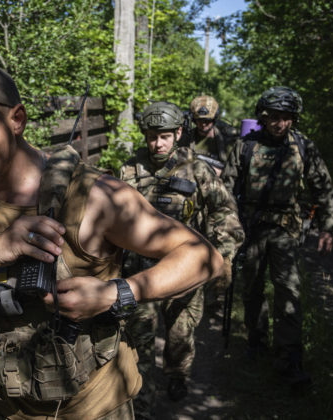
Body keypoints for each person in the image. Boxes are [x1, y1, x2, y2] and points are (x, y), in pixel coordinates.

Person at [0, 61, 224, 420]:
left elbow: (203, 256)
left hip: (93, 408)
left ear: (16, 120)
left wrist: (115, 293)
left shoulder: (94, 196)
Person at [119, 101, 243, 418]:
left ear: (177, 133)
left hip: (184, 269)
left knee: (180, 334)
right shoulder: (129, 170)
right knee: (139, 340)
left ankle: (177, 374)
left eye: (163, 136)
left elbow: (226, 215)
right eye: (151, 136)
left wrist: (219, 255)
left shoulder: (197, 170)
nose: (157, 143)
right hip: (139, 272)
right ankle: (141, 401)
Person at [221, 86, 333, 389]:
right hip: (251, 228)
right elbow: (225, 189)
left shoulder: (303, 147)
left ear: (293, 119)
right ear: (263, 116)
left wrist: (327, 226)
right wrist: (227, 226)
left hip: (286, 229)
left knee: (289, 292)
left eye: (286, 117)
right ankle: (256, 343)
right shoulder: (245, 147)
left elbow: (322, 186)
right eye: (273, 117)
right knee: (252, 290)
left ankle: (289, 357)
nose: (279, 123)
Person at [179, 95, 239, 176]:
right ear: (194, 120)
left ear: (214, 119)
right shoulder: (186, 139)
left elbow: (235, 170)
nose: (203, 124)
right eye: (199, 120)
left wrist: (219, 172)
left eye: (207, 120)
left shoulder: (228, 140)